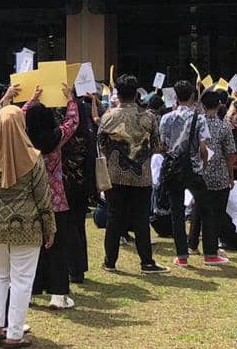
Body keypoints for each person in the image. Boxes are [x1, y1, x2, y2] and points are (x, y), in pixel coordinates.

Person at [0, 104, 55, 349]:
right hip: (27, 224)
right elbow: (43, 197)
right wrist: (49, 226)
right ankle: (14, 333)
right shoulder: (34, 157)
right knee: (22, 279)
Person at [97, 75, 167, 274]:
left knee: (113, 219)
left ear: (117, 94)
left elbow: (101, 144)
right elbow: (156, 146)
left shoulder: (108, 116)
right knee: (141, 219)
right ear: (136, 94)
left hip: (115, 175)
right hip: (141, 175)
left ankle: (110, 261)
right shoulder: (149, 118)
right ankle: (146, 262)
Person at [23, 80, 79, 309]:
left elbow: (17, 118)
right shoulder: (56, 138)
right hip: (55, 199)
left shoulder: (23, 140)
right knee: (57, 247)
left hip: (29, 200)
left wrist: (31, 100)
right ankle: (58, 295)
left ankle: (30, 292)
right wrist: (70, 100)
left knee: (30, 249)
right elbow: (72, 122)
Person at [158, 80, 210, 267]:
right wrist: (205, 163)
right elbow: (203, 147)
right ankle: (210, 251)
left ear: (175, 96)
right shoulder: (200, 118)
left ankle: (182, 255)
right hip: (194, 168)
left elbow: (162, 144)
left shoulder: (166, 118)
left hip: (173, 167)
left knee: (177, 213)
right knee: (205, 208)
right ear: (192, 97)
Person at [189, 88, 237, 265]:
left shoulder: (194, 124)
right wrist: (231, 176)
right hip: (219, 175)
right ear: (219, 106)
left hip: (198, 174)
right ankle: (211, 249)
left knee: (199, 208)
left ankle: (192, 243)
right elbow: (230, 154)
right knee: (215, 213)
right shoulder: (224, 126)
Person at [60, 92, 98, 284]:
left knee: (69, 226)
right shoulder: (86, 122)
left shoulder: (64, 121)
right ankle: (79, 267)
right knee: (78, 223)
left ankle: (73, 268)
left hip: (65, 180)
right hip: (83, 180)